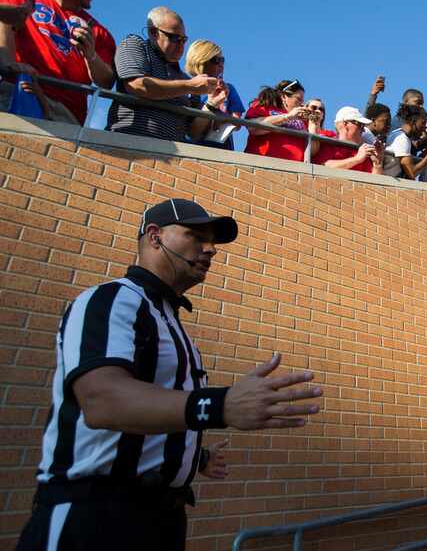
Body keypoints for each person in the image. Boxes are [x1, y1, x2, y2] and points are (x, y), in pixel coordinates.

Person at [14, 198, 323, 551]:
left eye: (213, 243)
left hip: (162, 516)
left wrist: (195, 457)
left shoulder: (169, 320)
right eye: (195, 236)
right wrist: (219, 405)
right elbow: (102, 401)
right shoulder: (110, 300)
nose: (209, 250)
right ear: (155, 236)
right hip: (95, 517)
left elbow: (152, 415)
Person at [106, 7, 217, 142]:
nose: (181, 45)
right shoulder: (135, 44)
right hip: (129, 143)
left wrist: (211, 103)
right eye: (174, 38)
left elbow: (192, 131)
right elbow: (137, 86)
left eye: (184, 40)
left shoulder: (185, 79)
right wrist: (190, 86)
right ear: (153, 32)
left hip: (172, 154)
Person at [0, 0, 115, 124]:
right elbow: (4, 21)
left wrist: (91, 55)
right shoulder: (23, 0)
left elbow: (107, 81)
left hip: (66, 113)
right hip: (20, 91)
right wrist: (9, 66)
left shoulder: (100, 32)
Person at [184, 39, 244, 151]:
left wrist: (223, 118)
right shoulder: (187, 88)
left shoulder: (229, 88)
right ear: (201, 61)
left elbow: (238, 123)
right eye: (216, 60)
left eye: (223, 60)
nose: (221, 64)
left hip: (222, 150)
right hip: (192, 150)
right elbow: (189, 130)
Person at [243, 79, 311, 162]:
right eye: (298, 99)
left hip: (296, 168)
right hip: (261, 163)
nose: (301, 104)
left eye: (302, 101)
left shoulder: (301, 119)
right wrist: (288, 117)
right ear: (284, 96)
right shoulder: (266, 105)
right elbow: (252, 127)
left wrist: (314, 122)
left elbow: (311, 147)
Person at [312, 106, 382, 175]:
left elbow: (373, 182)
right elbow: (322, 168)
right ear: (345, 124)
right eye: (360, 125)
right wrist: (357, 159)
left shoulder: (362, 151)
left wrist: (377, 164)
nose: (363, 130)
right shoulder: (327, 141)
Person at [383, 104, 427, 180]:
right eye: (423, 123)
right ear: (413, 122)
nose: (425, 127)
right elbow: (412, 173)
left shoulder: (398, 134)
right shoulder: (402, 139)